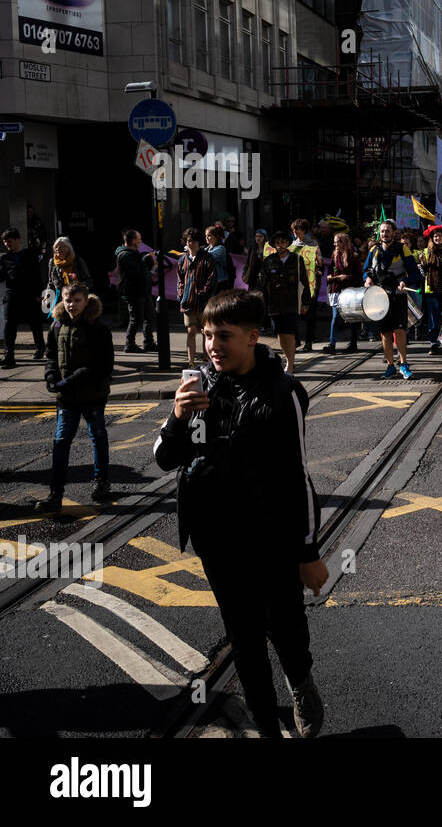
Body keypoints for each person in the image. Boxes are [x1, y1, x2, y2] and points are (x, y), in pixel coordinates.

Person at [154, 288, 327, 739]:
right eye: (208, 335)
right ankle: (268, 730)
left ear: (253, 337)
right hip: (216, 538)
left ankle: (301, 684)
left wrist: (308, 552)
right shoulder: (200, 385)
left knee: (286, 629)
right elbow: (165, 458)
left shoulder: (282, 393)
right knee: (245, 640)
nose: (213, 345)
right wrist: (175, 417)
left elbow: (298, 475)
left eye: (224, 336)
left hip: (270, 537)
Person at [35, 282, 115, 510]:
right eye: (68, 300)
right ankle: (55, 495)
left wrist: (68, 381)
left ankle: (101, 481)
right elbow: (51, 356)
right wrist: (50, 376)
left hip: (93, 395)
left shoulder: (98, 328)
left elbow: (101, 364)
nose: (72, 305)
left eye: (77, 300)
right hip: (66, 398)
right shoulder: (57, 326)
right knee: (60, 442)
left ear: (86, 301)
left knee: (98, 436)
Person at [363, 220, 419, 380]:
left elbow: (415, 273)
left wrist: (405, 282)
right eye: (382, 231)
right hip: (379, 297)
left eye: (387, 231)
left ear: (394, 232)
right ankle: (390, 366)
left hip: (397, 296)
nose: (384, 234)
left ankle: (404, 365)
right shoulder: (373, 250)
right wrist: (367, 279)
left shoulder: (403, 250)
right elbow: (366, 270)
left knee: (400, 331)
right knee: (385, 333)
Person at [258, 230, 310, 374]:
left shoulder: (297, 259)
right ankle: (288, 358)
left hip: (291, 302)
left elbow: (304, 281)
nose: (280, 245)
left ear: (287, 243)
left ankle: (290, 363)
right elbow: (263, 283)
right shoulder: (268, 261)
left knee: (290, 332)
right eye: (278, 243)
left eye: (283, 242)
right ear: (274, 245)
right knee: (280, 333)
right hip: (274, 304)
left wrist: (305, 302)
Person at [2, 227, 48, 367]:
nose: (7, 244)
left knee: (35, 323)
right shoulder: (5, 258)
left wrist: (39, 295)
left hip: (28, 295)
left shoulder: (29, 255)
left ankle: (40, 347)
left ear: (17, 240)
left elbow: (36, 276)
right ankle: (9, 355)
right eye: (4, 242)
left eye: (9, 241)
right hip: (12, 296)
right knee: (9, 325)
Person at [177, 227, 217, 367]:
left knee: (206, 331)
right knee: (191, 331)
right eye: (188, 241)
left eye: (193, 241)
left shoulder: (208, 258)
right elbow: (180, 280)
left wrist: (203, 293)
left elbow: (212, 279)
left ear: (199, 242)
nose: (191, 243)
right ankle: (191, 361)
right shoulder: (182, 260)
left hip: (204, 302)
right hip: (188, 301)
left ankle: (206, 358)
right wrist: (181, 295)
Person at [114, 230, 158, 353]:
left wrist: (149, 261)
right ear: (133, 240)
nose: (140, 241)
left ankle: (149, 342)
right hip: (134, 291)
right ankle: (129, 344)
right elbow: (136, 271)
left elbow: (143, 270)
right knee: (136, 318)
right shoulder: (125, 255)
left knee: (149, 317)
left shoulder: (133, 253)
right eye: (139, 239)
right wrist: (146, 259)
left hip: (144, 290)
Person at [417, 226, 442, 354]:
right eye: (435, 236)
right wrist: (422, 265)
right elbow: (423, 274)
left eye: (440, 236)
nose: (437, 238)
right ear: (432, 239)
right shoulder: (427, 252)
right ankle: (433, 342)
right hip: (431, 289)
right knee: (433, 318)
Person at [325, 231, 362, 353]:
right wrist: (330, 276)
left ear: (343, 242)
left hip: (350, 291)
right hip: (336, 289)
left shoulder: (353, 255)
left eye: (337, 242)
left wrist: (346, 277)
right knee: (335, 317)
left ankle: (353, 343)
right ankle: (332, 344)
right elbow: (330, 269)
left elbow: (359, 276)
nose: (335, 245)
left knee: (351, 317)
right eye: (334, 242)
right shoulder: (334, 254)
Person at [290, 219, 323, 351]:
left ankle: (309, 341)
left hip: (310, 282)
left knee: (310, 313)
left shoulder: (313, 244)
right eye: (293, 229)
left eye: (297, 229)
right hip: (296, 283)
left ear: (304, 230)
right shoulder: (292, 245)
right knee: (293, 312)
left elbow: (320, 264)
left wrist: (317, 257)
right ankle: (296, 340)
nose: (294, 232)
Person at [46, 236, 93, 311]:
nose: (57, 249)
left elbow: (89, 281)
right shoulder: (52, 262)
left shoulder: (78, 261)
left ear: (68, 248)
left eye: (61, 247)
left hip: (75, 301)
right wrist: (47, 296)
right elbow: (51, 283)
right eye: (56, 247)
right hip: (59, 302)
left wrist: (77, 285)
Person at [206, 223, 235, 294]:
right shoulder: (206, 248)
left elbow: (207, 256)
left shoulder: (221, 248)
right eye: (206, 236)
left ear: (216, 237)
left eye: (209, 236)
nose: (206, 238)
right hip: (211, 283)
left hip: (220, 283)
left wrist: (193, 252)